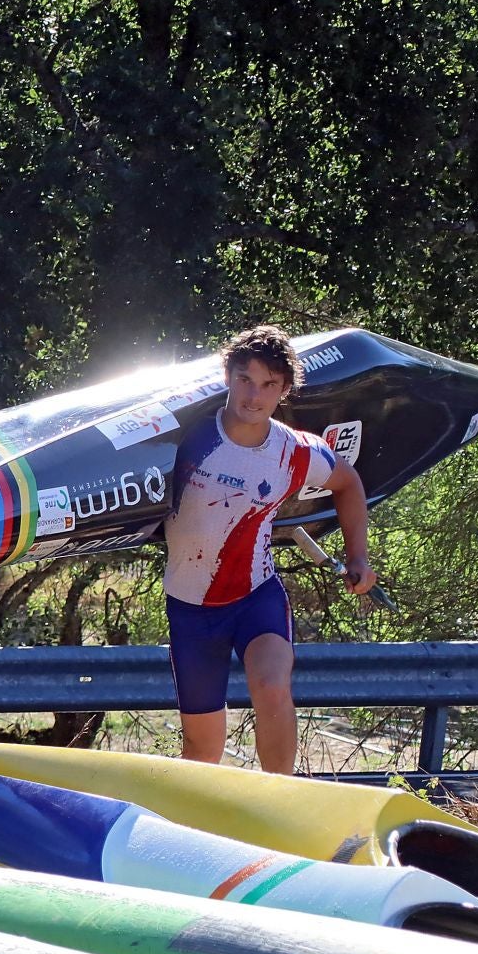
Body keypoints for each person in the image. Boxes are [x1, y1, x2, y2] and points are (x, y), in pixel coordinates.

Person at [164, 325, 375, 775]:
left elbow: (348, 483)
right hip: (190, 608)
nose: (254, 396)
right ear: (228, 375)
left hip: (255, 595)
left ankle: (281, 797)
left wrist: (358, 556)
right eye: (245, 379)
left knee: (271, 683)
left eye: (268, 385)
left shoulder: (295, 451)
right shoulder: (189, 437)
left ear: (284, 390)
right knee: (202, 751)